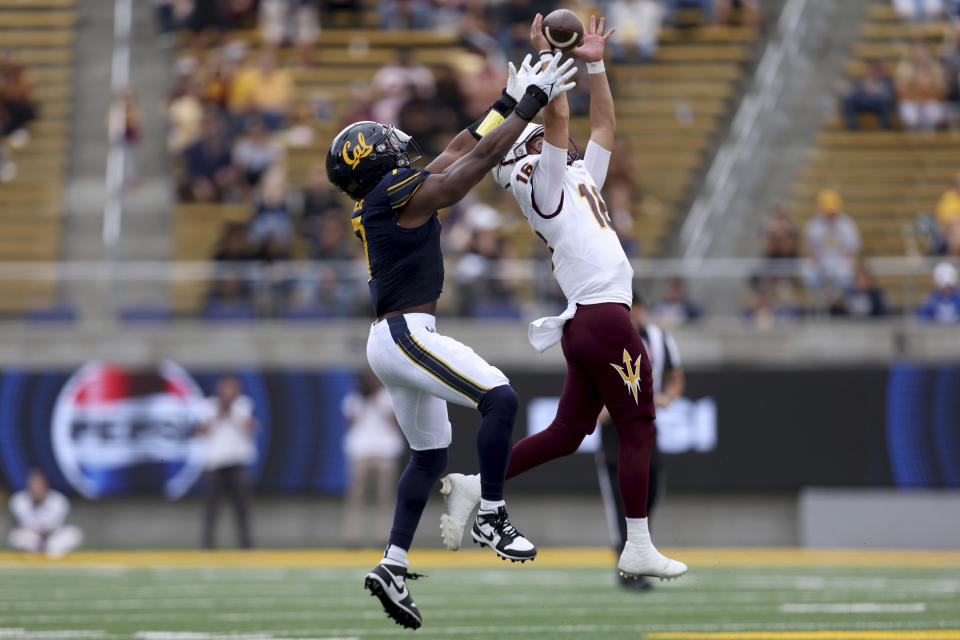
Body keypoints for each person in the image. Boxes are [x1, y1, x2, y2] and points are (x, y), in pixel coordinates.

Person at [326, 45, 576, 629]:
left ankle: (391, 563)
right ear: (370, 161)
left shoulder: (387, 195)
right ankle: (492, 513)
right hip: (405, 334)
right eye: (383, 141)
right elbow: (477, 163)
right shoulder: (393, 196)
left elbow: (463, 146)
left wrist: (508, 101)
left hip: (394, 337)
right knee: (502, 398)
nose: (396, 141)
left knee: (431, 455)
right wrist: (534, 102)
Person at [439, 14, 686, 586]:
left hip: (587, 322)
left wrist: (594, 63)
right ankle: (638, 546)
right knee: (638, 424)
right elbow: (559, 119)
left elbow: (603, 128)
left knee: (566, 434)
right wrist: (549, 63)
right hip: (603, 318)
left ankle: (479, 488)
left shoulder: (574, 179)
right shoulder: (542, 187)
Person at [594, 293, 683, 591]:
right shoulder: (603, 339)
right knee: (621, 498)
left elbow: (675, 377)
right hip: (615, 435)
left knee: (650, 491)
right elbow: (586, 381)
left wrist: (667, 398)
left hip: (645, 430)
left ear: (643, 310)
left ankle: (638, 552)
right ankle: (628, 565)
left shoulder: (658, 339)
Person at [341, 370, 405, 543]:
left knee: (385, 496)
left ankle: (384, 536)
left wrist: (377, 403)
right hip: (361, 451)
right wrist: (364, 402)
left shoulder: (387, 397)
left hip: (385, 451)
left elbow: (395, 423)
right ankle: (352, 536)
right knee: (356, 496)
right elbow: (351, 423)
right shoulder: (355, 399)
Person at [199, 374, 256, 549]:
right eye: (226, 388)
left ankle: (245, 543)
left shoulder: (244, 405)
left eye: (232, 388)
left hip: (237, 463)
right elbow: (202, 430)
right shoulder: (209, 406)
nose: (229, 392)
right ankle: (208, 544)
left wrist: (231, 413)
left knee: (241, 507)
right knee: (212, 507)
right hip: (216, 464)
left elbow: (251, 427)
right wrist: (218, 414)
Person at [8, 470, 83, 558]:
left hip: (53, 536)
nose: (37, 488)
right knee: (16, 536)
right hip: (31, 536)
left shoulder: (58, 500)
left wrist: (47, 531)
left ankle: (53, 555)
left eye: (39, 485)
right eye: (34, 485)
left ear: (46, 485)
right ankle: (32, 557)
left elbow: (55, 524)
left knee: (73, 534)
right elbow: (25, 523)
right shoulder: (18, 500)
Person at [802, 189, 861, 296]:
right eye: (827, 212)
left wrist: (845, 262)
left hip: (840, 260)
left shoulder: (847, 224)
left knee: (844, 272)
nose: (830, 215)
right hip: (821, 260)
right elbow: (809, 248)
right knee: (807, 272)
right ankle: (818, 299)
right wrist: (817, 263)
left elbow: (852, 249)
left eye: (832, 211)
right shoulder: (814, 225)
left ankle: (839, 300)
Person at [895, 41, 947, 131]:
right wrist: (916, 97)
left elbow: (941, 90)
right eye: (917, 51)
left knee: (937, 115)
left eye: (923, 51)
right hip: (910, 102)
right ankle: (911, 141)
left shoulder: (935, 68)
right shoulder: (905, 67)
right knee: (910, 117)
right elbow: (900, 90)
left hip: (930, 101)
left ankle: (933, 140)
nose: (920, 55)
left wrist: (925, 95)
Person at [842, 60, 896, 130]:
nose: (874, 72)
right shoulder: (860, 81)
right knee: (848, 99)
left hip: (878, 104)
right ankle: (852, 126)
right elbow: (853, 93)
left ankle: (885, 128)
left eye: (877, 69)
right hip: (863, 103)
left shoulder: (886, 82)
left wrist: (877, 91)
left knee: (885, 101)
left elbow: (889, 95)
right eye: (873, 69)